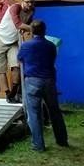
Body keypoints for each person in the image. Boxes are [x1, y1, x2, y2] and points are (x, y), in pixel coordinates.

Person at [17, 20, 69, 151]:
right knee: (55, 111)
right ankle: (62, 140)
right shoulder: (51, 46)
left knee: (34, 114)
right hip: (49, 81)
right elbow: (52, 59)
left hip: (32, 81)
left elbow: (20, 59)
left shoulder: (25, 46)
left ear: (31, 31)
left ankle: (38, 145)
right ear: (45, 30)